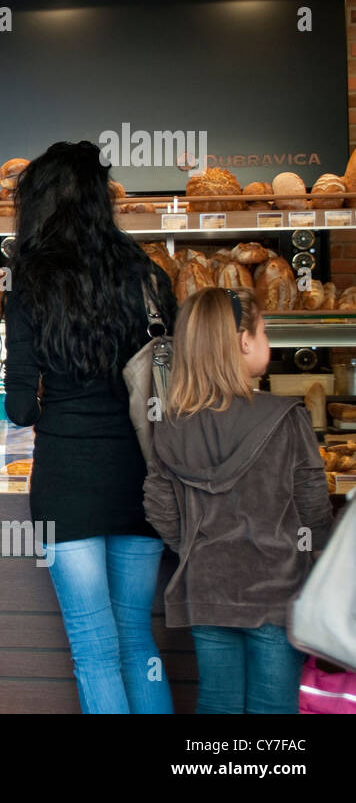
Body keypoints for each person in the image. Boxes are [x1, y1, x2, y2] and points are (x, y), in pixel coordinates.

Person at [2, 139, 177, 715]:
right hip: (143, 481)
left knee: (94, 651)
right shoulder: (146, 274)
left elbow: (22, 409)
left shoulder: (28, 280)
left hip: (68, 483)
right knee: (137, 642)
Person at [143, 287, 333, 714]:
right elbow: (314, 508)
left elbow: (158, 504)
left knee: (217, 701)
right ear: (244, 341)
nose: (266, 342)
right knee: (274, 707)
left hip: (206, 587)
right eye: (265, 333)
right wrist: (309, 554)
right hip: (276, 590)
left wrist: (195, 546)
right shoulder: (288, 417)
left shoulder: (172, 423)